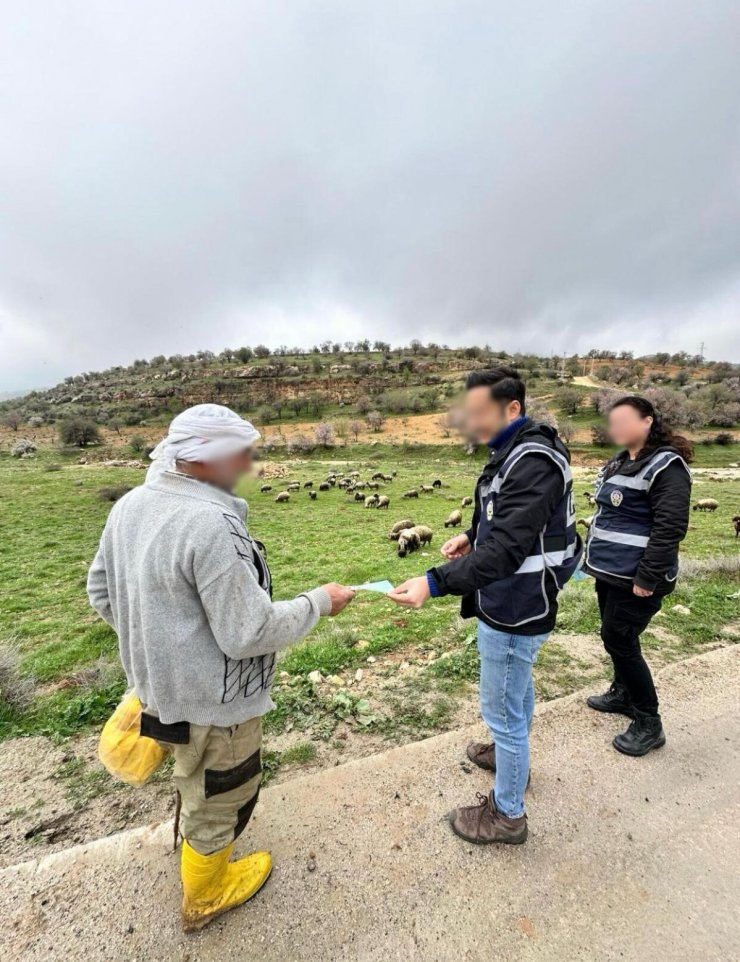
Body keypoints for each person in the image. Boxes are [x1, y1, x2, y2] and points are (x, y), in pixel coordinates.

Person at [87, 403, 355, 931]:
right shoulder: (210, 523)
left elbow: (101, 591)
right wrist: (319, 601)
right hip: (218, 706)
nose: (249, 464)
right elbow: (248, 633)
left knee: (191, 775)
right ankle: (206, 894)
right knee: (220, 796)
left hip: (155, 690)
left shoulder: (132, 505)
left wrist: (160, 650)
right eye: (241, 453)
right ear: (207, 458)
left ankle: (195, 851)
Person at [388, 368, 581, 846]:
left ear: (512, 408)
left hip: (518, 603)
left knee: (504, 710)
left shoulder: (532, 460)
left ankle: (507, 815)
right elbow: (508, 522)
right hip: (511, 597)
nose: (472, 423)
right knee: (518, 688)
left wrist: (432, 583)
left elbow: (507, 550)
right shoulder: (513, 455)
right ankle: (510, 759)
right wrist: (471, 536)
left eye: (479, 413)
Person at [584, 395, 692, 756]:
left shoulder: (666, 466)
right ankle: (623, 693)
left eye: (623, 420)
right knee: (615, 636)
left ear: (647, 421)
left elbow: (670, 526)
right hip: (610, 572)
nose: (614, 428)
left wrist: (648, 577)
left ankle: (649, 720)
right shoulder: (620, 462)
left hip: (638, 577)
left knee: (620, 639)